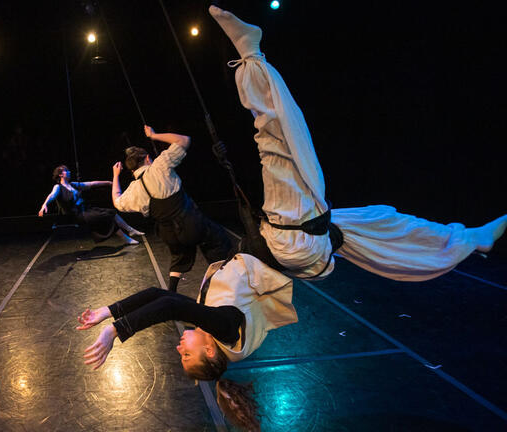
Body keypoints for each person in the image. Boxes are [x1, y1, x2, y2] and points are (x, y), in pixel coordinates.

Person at [78, 6, 507, 431]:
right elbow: (170, 302)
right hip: (291, 243)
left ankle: (470, 240)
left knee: (382, 222)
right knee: (277, 145)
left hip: (289, 246)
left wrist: (106, 311)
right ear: (210, 354)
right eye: (187, 355)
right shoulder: (228, 333)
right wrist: (116, 332)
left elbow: (159, 293)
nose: (179, 349)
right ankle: (251, 53)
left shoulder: (217, 330)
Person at [112, 126, 235, 292]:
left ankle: (171, 292)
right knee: (217, 241)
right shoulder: (159, 166)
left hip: (169, 234)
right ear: (148, 159)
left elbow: (117, 201)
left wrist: (115, 176)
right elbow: (184, 140)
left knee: (179, 256)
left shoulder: (133, 190)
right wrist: (153, 135)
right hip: (192, 225)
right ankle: (228, 284)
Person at [39, 165, 143, 244]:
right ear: (61, 174)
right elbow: (52, 195)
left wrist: (107, 182)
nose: (69, 171)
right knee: (107, 216)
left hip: (87, 210)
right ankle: (127, 238)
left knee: (111, 212)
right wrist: (44, 204)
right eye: (66, 171)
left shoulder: (74, 185)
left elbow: (92, 183)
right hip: (77, 215)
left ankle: (130, 230)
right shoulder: (58, 187)